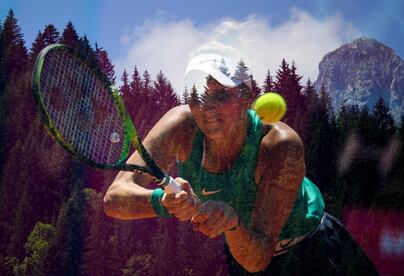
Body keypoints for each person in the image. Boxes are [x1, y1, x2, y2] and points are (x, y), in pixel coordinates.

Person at [103, 53, 378, 275]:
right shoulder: (179, 124)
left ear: (246, 97)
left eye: (221, 95)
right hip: (242, 255)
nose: (207, 107)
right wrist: (163, 201)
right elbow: (114, 199)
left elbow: (258, 257)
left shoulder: (280, 144)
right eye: (199, 94)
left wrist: (232, 223)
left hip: (315, 252)